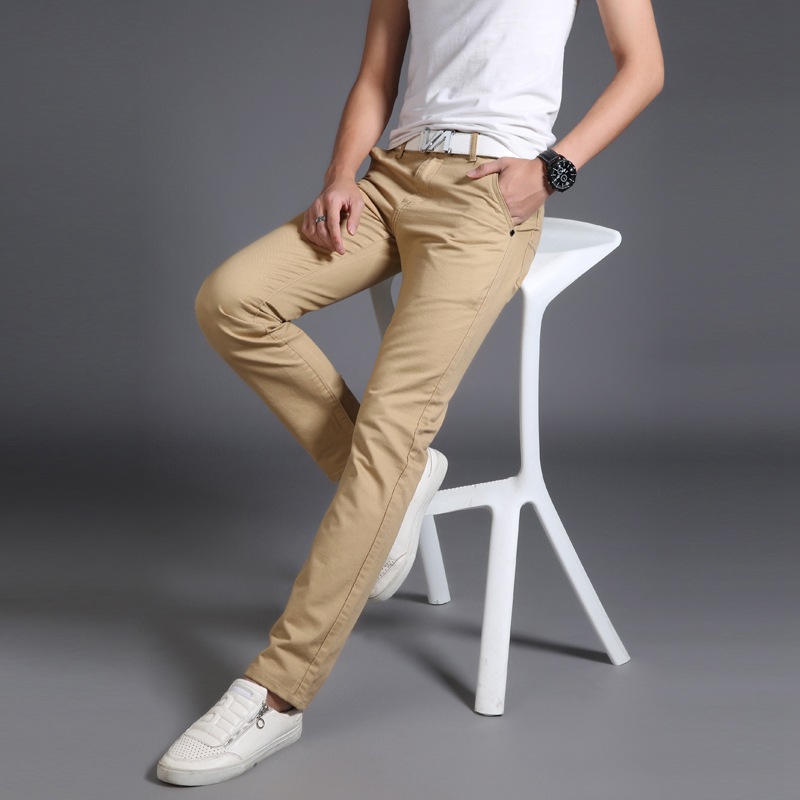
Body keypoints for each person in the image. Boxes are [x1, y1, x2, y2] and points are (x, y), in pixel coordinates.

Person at [157, 0, 664, 787]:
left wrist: (552, 168)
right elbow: (376, 76)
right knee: (231, 301)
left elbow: (644, 66)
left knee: (391, 432)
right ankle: (401, 483)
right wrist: (340, 175)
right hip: (392, 179)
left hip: (487, 198)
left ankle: (277, 693)